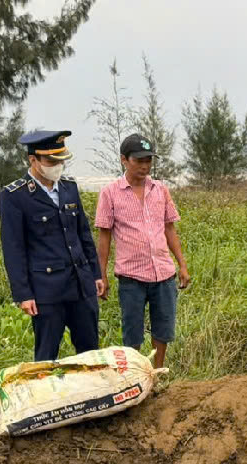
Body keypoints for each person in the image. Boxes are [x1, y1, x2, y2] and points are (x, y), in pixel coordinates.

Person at [0, 130, 104, 361]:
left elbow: (82, 233)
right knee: (46, 356)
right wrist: (23, 294)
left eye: (60, 160)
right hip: (46, 290)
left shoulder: (69, 187)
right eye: (50, 160)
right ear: (32, 159)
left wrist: (95, 274)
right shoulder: (15, 196)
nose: (57, 165)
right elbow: (13, 250)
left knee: (90, 353)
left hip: (80, 285)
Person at [94, 134, 190, 369]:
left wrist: (182, 264)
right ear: (124, 160)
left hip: (163, 273)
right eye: (139, 160)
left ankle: (158, 371)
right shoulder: (110, 193)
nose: (145, 166)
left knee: (164, 327)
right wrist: (102, 274)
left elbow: (169, 228)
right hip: (131, 276)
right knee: (132, 331)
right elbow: (104, 235)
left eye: (148, 160)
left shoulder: (160, 190)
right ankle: (136, 373)